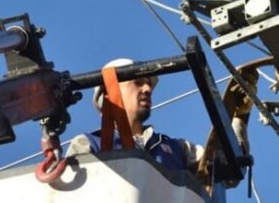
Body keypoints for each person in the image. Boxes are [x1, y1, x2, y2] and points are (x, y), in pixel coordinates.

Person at [66, 58, 203, 174]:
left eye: (148, 84)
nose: (148, 89)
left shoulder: (180, 149)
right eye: (137, 82)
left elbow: (212, 165)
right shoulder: (88, 144)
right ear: (110, 92)